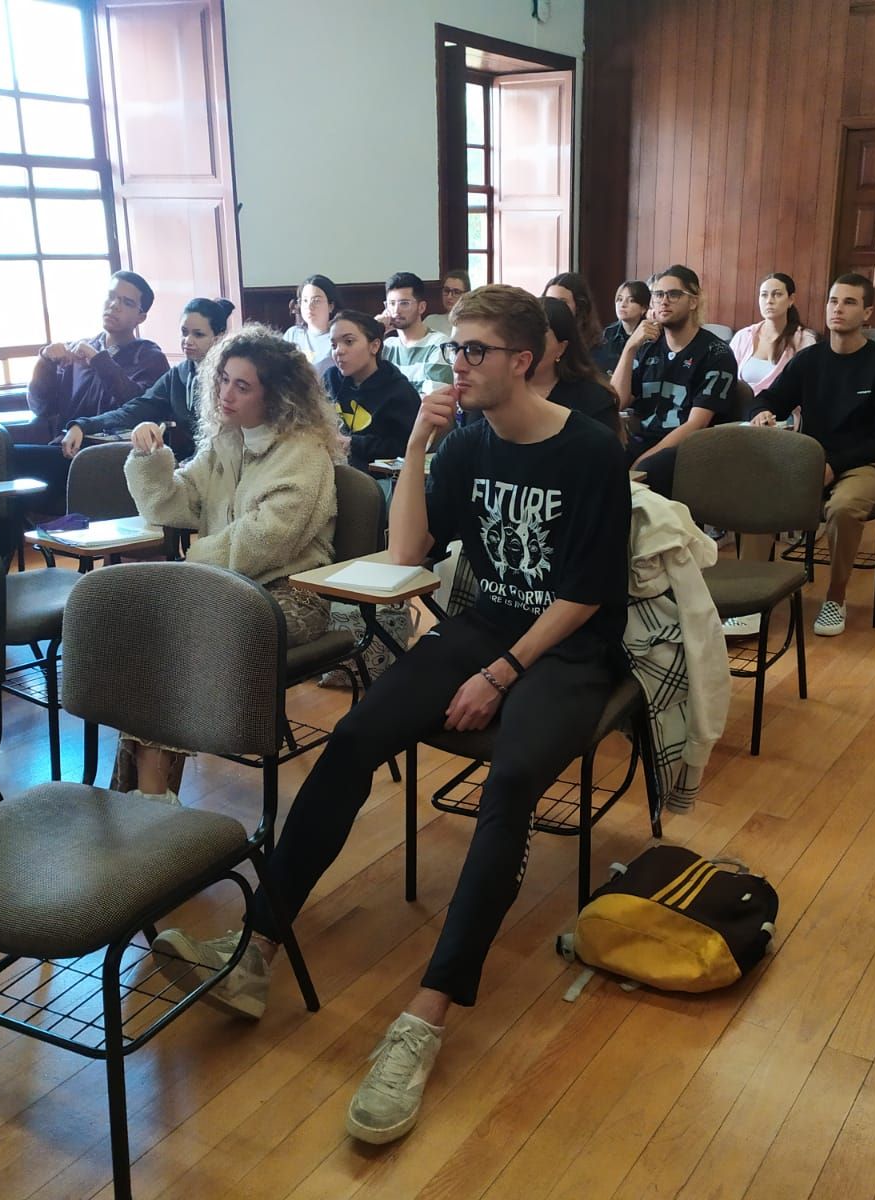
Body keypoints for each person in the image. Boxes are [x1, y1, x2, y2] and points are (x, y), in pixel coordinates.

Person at [150, 285, 631, 1146]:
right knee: (353, 738)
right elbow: (408, 552)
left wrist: (503, 673)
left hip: (569, 648)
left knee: (512, 780)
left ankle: (425, 1017)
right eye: (456, 350)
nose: (458, 365)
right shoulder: (470, 443)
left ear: (523, 360)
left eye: (475, 350)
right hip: (483, 625)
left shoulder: (591, 448)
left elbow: (589, 593)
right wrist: (416, 447)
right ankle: (257, 949)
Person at [122, 325, 339, 801]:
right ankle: (146, 796)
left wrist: (193, 564)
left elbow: (263, 542)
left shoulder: (303, 453)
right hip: (226, 587)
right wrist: (149, 458)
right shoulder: (227, 441)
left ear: (276, 397)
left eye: (243, 386)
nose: (226, 394)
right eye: (223, 380)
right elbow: (171, 506)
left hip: (294, 594)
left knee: (179, 632)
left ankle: (148, 799)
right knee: (152, 628)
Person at [749, 274, 875, 637]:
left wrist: (835, 466)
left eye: (849, 302)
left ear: (867, 312)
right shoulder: (810, 360)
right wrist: (761, 411)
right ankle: (753, 596)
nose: (838, 309)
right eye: (833, 301)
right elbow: (771, 397)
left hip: (866, 463)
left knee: (844, 508)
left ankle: (835, 597)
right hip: (813, 460)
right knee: (757, 496)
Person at [19, 271, 168, 512]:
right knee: (4, 462)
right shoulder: (78, 350)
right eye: (111, 297)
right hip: (67, 450)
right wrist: (45, 361)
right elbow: (40, 407)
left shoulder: (149, 356)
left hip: (111, 456)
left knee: (12, 463)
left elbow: (138, 406)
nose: (114, 306)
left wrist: (99, 360)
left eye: (127, 302)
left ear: (140, 317)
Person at [58, 297, 233, 464]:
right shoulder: (177, 375)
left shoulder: (229, 376)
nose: (188, 341)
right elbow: (134, 410)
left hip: (225, 463)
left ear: (218, 338)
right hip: (190, 466)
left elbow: (227, 436)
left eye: (198, 335)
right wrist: (83, 426)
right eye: (184, 332)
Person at [610, 264, 737, 493]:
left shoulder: (716, 353)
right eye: (658, 295)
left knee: (648, 469)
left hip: (688, 448)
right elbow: (616, 402)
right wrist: (629, 348)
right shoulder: (647, 346)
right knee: (599, 455)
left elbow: (696, 424)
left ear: (693, 302)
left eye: (674, 294)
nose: (664, 301)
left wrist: (642, 462)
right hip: (643, 438)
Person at [322, 310, 419, 470]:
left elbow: (406, 446)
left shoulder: (399, 391)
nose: (339, 350)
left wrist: (353, 443)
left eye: (349, 341)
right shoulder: (330, 379)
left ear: (374, 346)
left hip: (376, 474)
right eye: (334, 345)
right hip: (331, 467)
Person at [531, 296, 622, 437]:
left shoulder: (593, 399)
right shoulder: (505, 390)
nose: (526, 348)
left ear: (561, 348)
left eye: (539, 340)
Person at [729, 273, 817, 397]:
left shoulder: (804, 340)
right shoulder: (743, 336)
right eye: (764, 295)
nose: (769, 301)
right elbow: (727, 378)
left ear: (791, 299)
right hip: (741, 405)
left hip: (782, 407)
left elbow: (807, 388)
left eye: (777, 294)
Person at [380, 271, 453, 394]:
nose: (396, 310)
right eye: (391, 303)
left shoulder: (440, 345)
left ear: (421, 307)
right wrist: (376, 328)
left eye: (404, 303)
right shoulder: (387, 345)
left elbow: (432, 400)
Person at [543, 271, 605, 366]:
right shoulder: (540, 339)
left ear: (579, 307)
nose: (554, 307)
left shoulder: (597, 351)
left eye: (562, 302)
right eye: (550, 300)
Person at [284, 274, 341, 367]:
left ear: (331, 306)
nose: (309, 307)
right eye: (305, 300)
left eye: (316, 301)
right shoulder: (292, 334)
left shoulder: (340, 337)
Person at [597, 279, 648, 374]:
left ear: (644, 308)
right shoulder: (609, 333)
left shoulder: (649, 334)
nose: (623, 305)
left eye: (631, 300)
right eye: (620, 299)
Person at [424, 269, 471, 336]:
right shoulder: (431, 321)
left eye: (456, 292)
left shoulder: (474, 324)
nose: (449, 296)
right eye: (446, 290)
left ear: (467, 295)